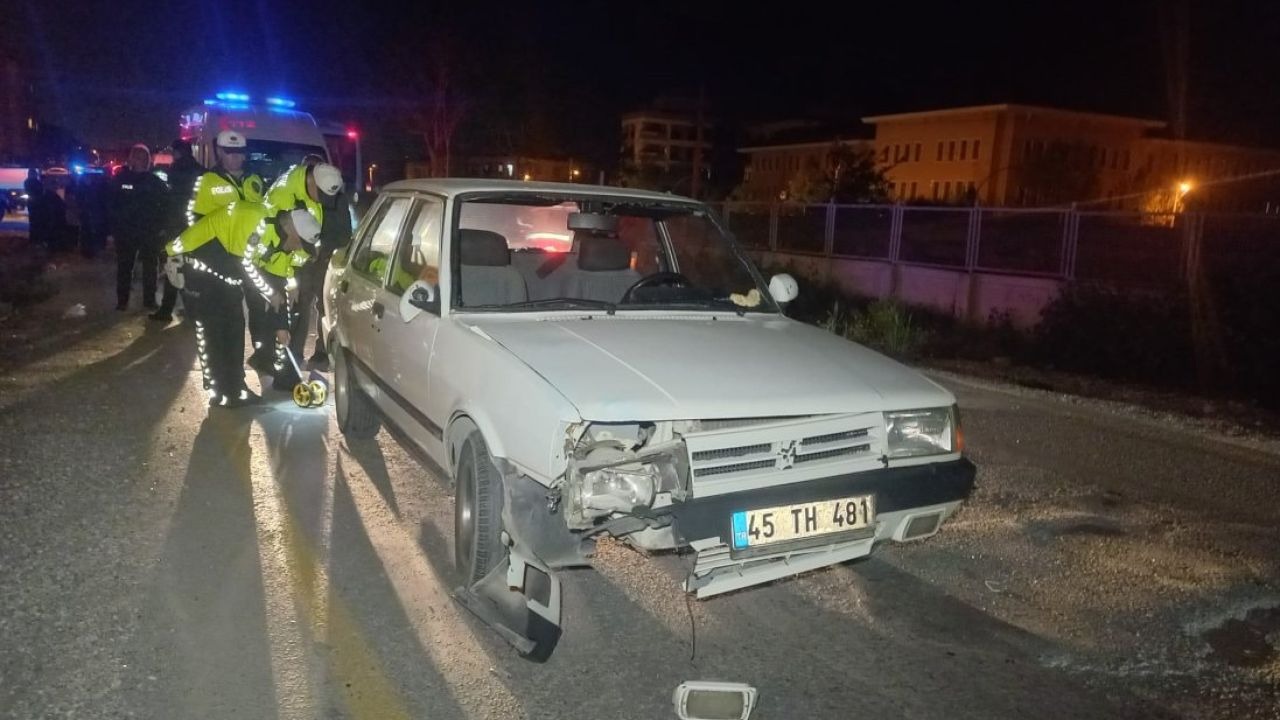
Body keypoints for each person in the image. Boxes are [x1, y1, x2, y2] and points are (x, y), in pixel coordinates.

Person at [164, 203, 315, 409]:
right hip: (201, 263)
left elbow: (278, 279)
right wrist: (269, 293)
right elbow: (245, 266)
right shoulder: (256, 222)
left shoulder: (278, 241)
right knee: (214, 331)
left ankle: (235, 388)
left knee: (234, 327)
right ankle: (220, 392)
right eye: (300, 242)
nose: (298, 248)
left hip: (226, 272)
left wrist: (281, 323)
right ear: (291, 228)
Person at [247, 160, 342, 371]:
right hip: (271, 260)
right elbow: (280, 243)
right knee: (271, 305)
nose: (323, 201)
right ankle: (267, 356)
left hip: (291, 259)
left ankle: (286, 360)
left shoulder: (313, 195)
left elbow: (301, 242)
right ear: (311, 181)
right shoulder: (283, 197)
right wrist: (281, 285)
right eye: (322, 195)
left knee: (293, 305)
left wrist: (294, 279)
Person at [108, 144, 169, 311]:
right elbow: (111, 204)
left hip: (149, 232)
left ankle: (149, 301)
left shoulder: (155, 182)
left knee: (151, 268)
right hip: (126, 232)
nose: (141, 160)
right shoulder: (120, 179)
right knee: (125, 267)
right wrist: (112, 229)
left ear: (148, 160)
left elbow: (165, 205)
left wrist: (162, 227)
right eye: (137, 156)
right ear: (131, 159)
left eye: (144, 157)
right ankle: (122, 301)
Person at [151, 139, 203, 322]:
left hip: (176, 227)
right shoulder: (201, 171)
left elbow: (169, 203)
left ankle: (166, 310)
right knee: (191, 270)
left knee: (173, 269)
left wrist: (163, 228)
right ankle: (193, 311)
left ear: (179, 153)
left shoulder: (174, 172)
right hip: (194, 228)